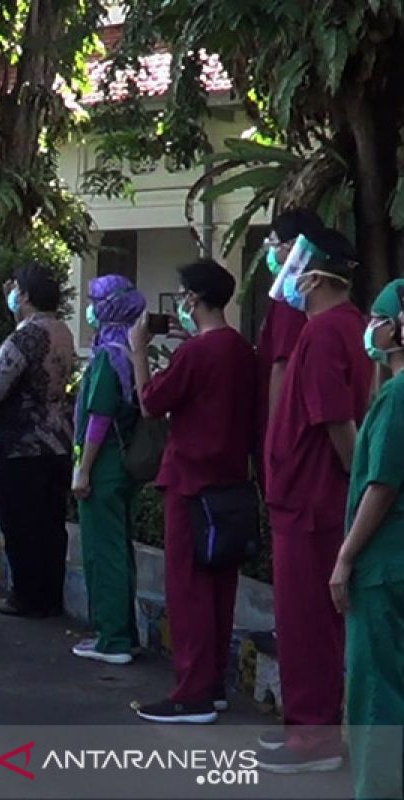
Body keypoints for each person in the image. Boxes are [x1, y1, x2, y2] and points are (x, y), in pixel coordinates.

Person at [260, 229, 372, 771]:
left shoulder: (327, 333)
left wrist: (356, 488)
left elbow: (338, 422)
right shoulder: (344, 328)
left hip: (311, 504)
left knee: (305, 625)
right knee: (307, 623)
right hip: (310, 501)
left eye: (290, 259)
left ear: (315, 275)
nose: (282, 267)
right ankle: (309, 730)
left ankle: (314, 740)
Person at [130, 260, 258, 722]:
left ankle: (191, 692)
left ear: (193, 299)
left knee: (188, 592)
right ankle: (213, 683)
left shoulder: (196, 354)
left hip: (189, 483)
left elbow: (151, 403)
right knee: (220, 588)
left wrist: (139, 352)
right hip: (230, 484)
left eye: (183, 295)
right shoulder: (243, 351)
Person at [326, 279, 404, 800]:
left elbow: (381, 483)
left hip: (382, 565)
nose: (369, 329)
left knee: (375, 695)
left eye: (378, 318)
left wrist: (345, 558)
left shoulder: (398, 397)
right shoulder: (390, 391)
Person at [0, 263, 76, 618]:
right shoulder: (62, 330)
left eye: (16, 288)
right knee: (51, 523)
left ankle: (27, 595)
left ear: (27, 296)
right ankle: (49, 595)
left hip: (21, 445)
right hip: (58, 441)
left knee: (19, 521)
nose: (12, 294)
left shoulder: (24, 337)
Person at [68, 275, 145, 661]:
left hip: (104, 465)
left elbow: (99, 416)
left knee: (104, 552)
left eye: (95, 299)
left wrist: (83, 469)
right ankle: (123, 632)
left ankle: (111, 638)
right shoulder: (132, 350)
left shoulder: (106, 356)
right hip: (122, 464)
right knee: (119, 547)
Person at [257, 210, 323, 484]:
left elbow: (282, 365)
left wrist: (275, 436)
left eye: (272, 244)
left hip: (290, 432)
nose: (270, 252)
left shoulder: (290, 299)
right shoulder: (318, 293)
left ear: (292, 247)